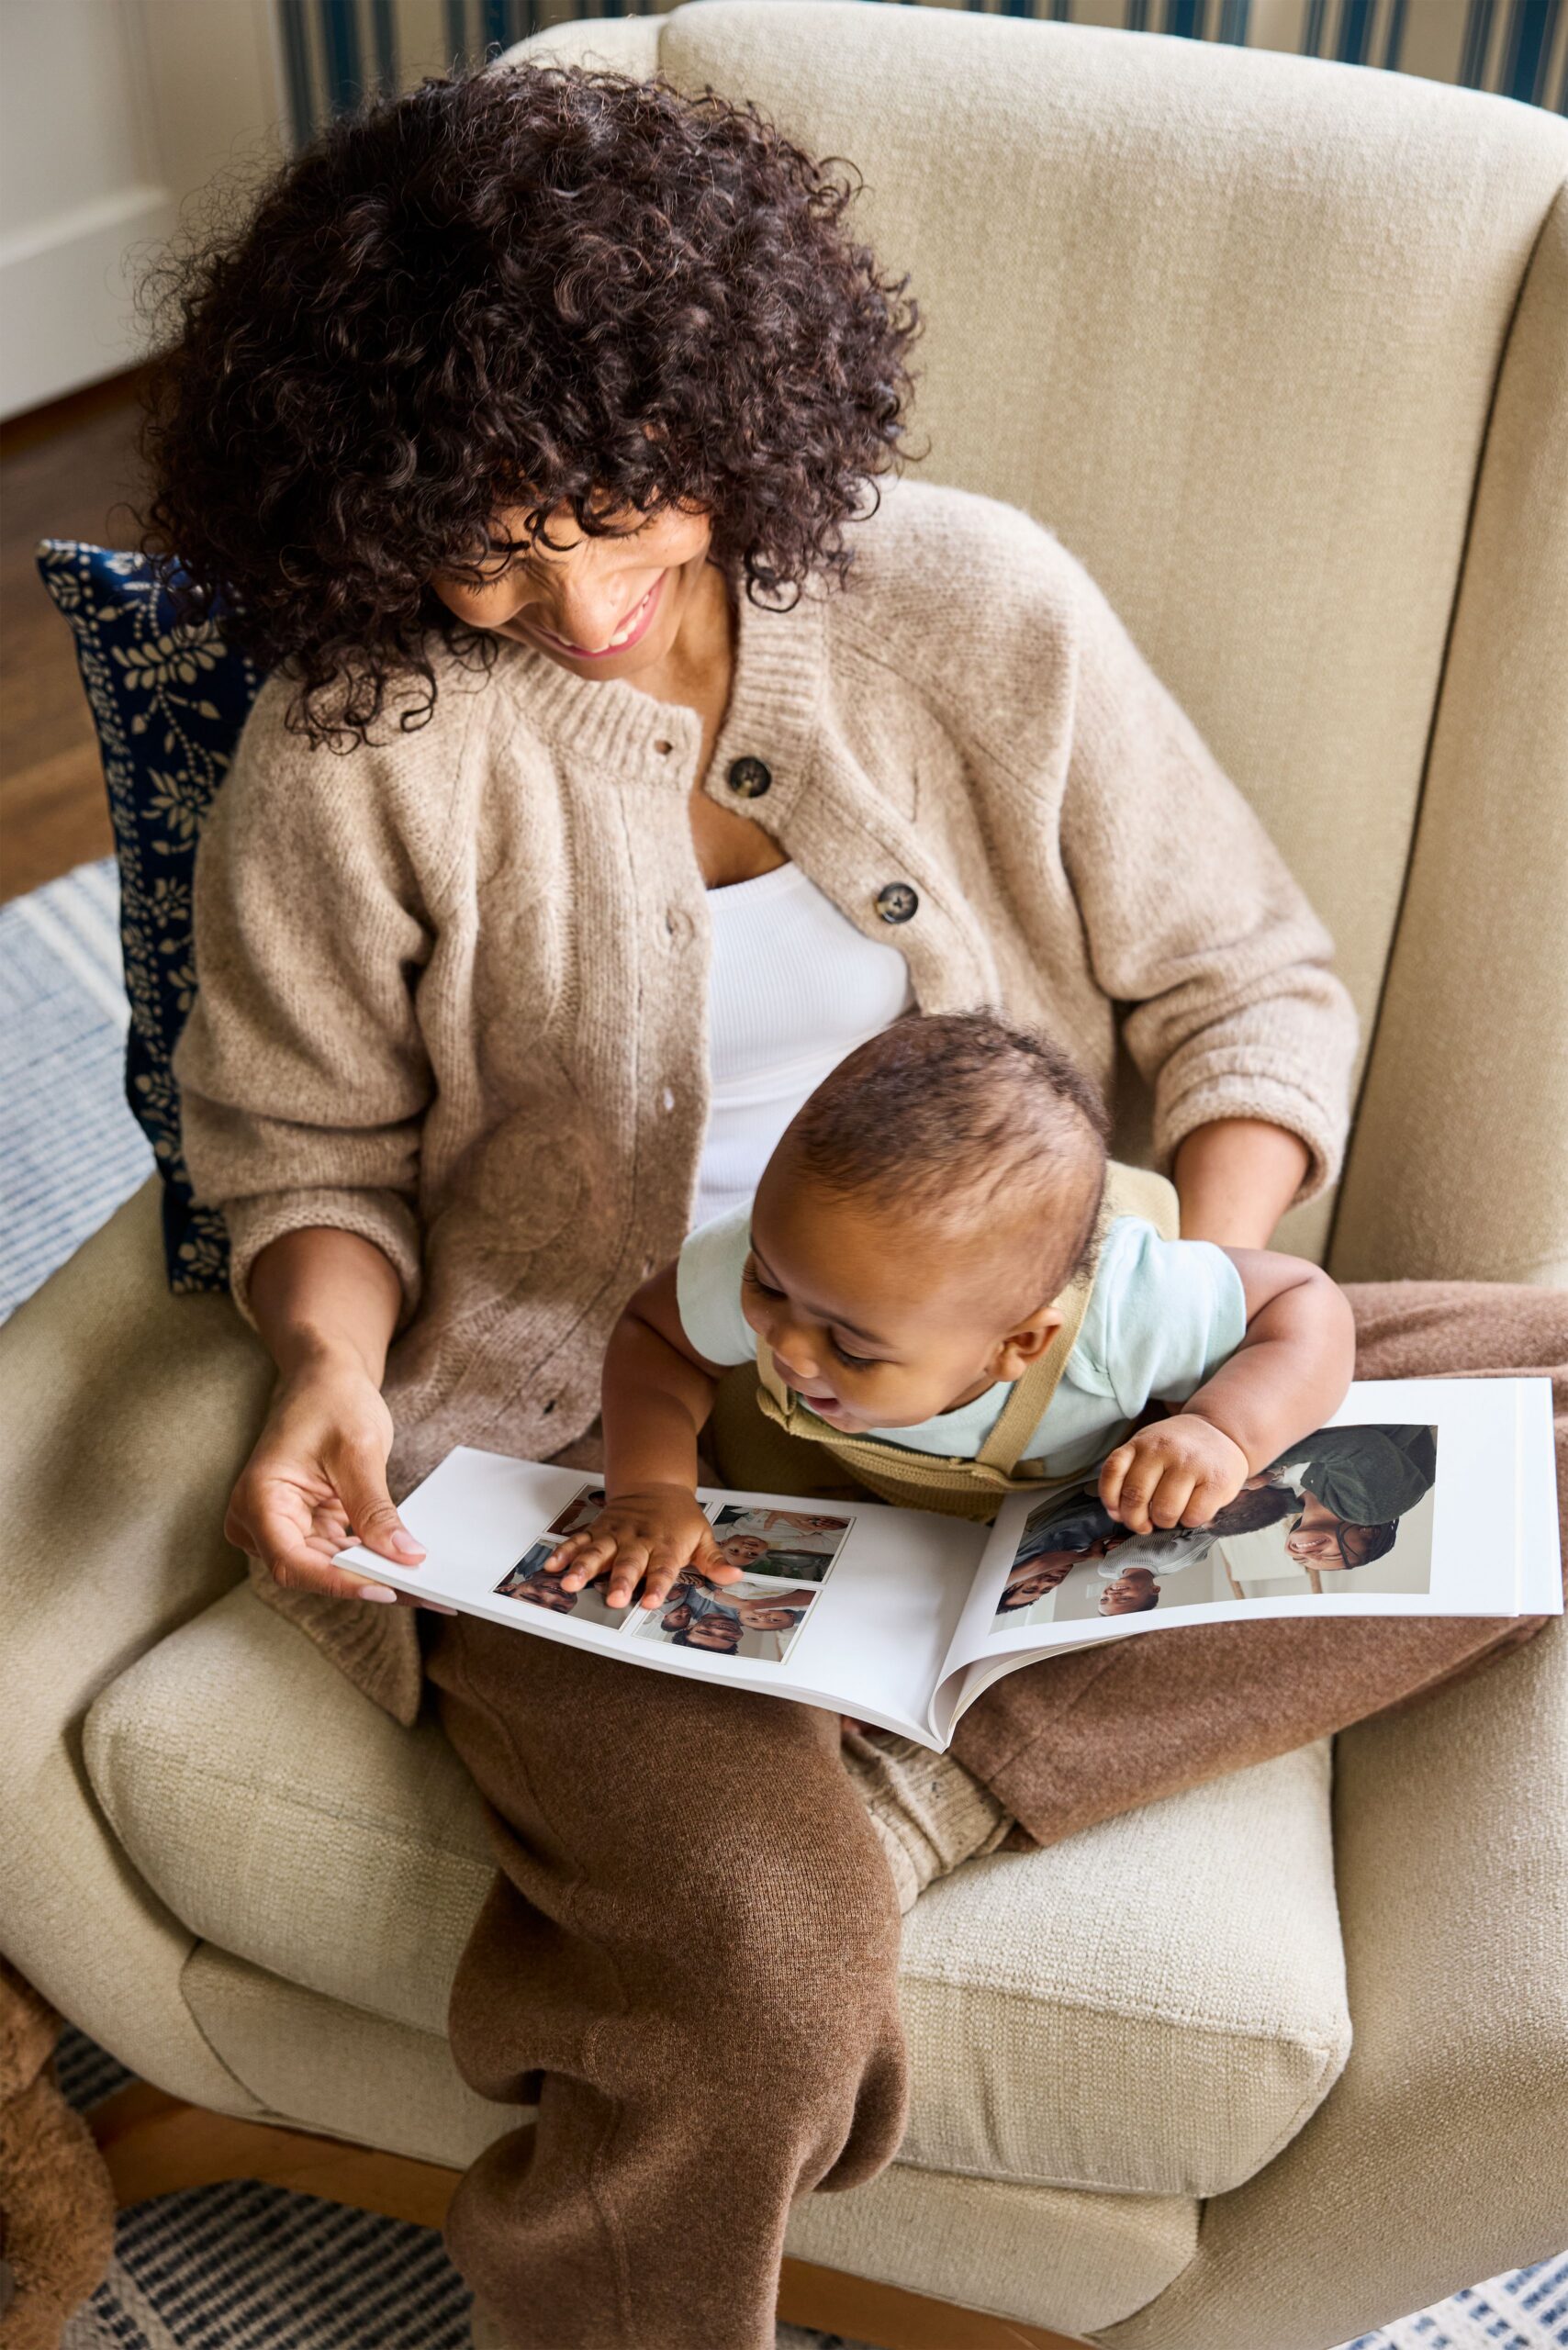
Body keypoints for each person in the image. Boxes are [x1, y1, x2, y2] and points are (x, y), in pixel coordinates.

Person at [137, 61, 1562, 2350]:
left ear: (733, 400)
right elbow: (294, 1140)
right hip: (607, 1460)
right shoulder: (358, 747)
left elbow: (1244, 978)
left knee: (1544, 1402)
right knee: (770, 1985)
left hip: (1031, 1375)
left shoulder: (968, 599)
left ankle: (930, 1754)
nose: (576, 596)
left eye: (624, 507)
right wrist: (321, 1368)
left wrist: (1194, 1297)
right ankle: (816, 1873)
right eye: (484, 544)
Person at [550, 1013, 1357, 1615]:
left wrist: (1223, 1428)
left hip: (1043, 1520)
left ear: (1018, 1344)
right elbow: (655, 1333)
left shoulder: (1128, 1307)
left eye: (851, 1347)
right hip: (824, 1487)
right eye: (769, 1288)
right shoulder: (787, 1258)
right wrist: (649, 1487)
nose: (789, 1349)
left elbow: (1303, 1300)